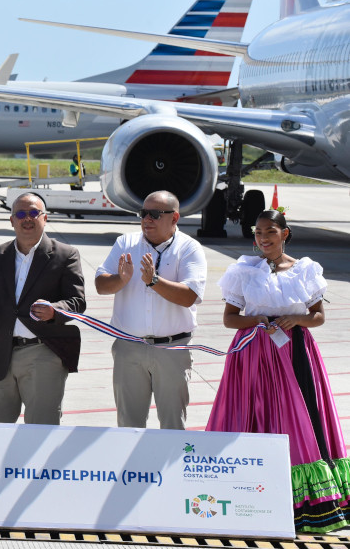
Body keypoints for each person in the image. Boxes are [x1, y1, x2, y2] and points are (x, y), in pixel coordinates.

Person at [206, 210, 349, 533]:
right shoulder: (243, 271)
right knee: (252, 413)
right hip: (254, 352)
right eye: (258, 233)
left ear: (285, 234)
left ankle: (304, 501)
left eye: (270, 231)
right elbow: (230, 318)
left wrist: (296, 319)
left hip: (295, 351)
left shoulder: (305, 270)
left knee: (298, 417)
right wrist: (260, 321)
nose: (263, 238)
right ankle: (245, 493)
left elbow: (318, 317)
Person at [0, 192, 85, 425]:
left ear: (45, 218)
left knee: (41, 430)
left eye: (33, 213)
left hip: (43, 353)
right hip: (0, 352)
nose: (27, 219)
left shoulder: (65, 255)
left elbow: (76, 301)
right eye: (20, 214)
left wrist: (54, 310)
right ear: (12, 220)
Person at [95, 190, 207, 430]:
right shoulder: (126, 243)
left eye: (155, 214)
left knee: (172, 425)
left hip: (172, 350)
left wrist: (154, 282)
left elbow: (190, 296)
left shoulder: (189, 249)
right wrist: (121, 280)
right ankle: (133, 469)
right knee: (128, 425)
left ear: (174, 218)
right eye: (143, 213)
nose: (147, 219)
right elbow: (101, 285)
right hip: (129, 348)